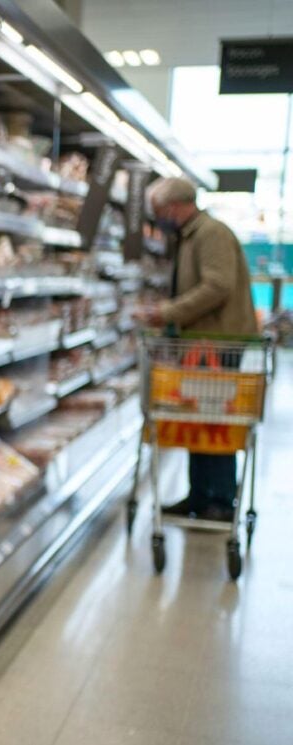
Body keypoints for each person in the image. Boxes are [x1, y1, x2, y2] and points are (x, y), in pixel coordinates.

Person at [134, 177, 257, 522]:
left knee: (215, 420)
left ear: (173, 207)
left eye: (158, 210)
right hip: (201, 343)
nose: (158, 217)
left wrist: (167, 313)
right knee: (198, 418)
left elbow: (217, 286)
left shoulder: (210, 233)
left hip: (217, 343)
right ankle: (200, 495)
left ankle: (218, 500)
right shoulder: (192, 236)